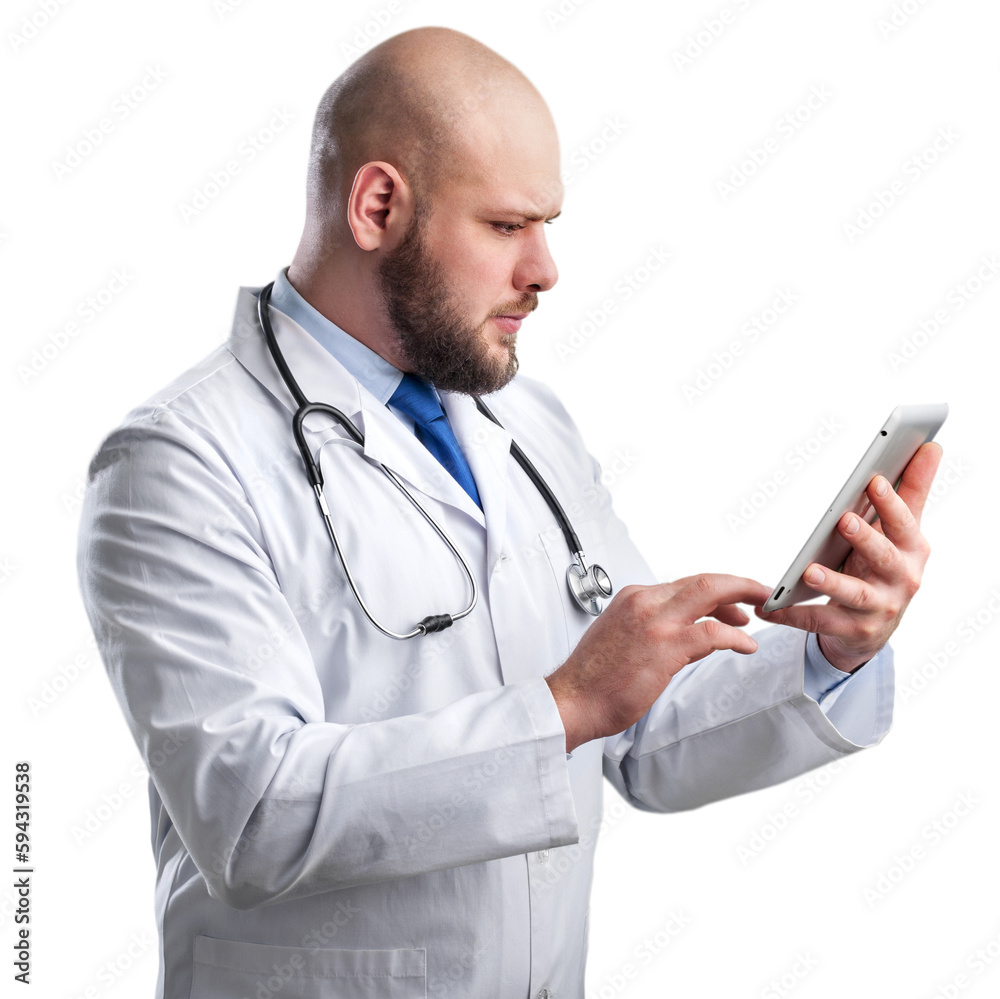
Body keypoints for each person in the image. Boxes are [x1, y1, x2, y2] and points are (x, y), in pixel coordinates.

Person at [76, 25, 942, 999]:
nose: (546, 269)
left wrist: (831, 649)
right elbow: (251, 817)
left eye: (548, 224)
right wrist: (561, 706)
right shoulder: (178, 462)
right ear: (376, 206)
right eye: (505, 226)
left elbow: (641, 734)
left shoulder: (525, 424)